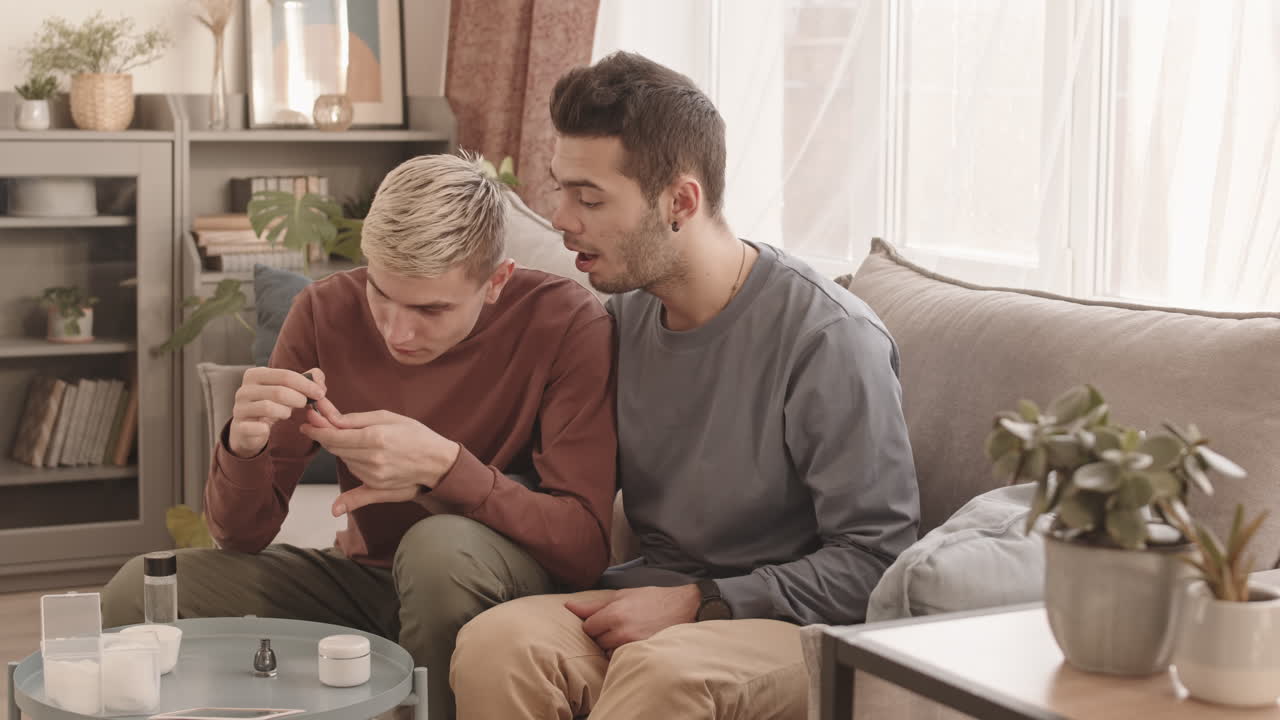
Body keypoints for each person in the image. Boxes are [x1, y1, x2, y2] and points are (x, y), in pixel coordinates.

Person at [450, 51, 922, 719]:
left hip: (789, 627)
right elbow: (550, 476)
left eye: (589, 197)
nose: (561, 218)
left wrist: (702, 601)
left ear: (680, 202)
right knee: (497, 645)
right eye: (561, 190)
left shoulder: (830, 339)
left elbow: (877, 562)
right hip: (648, 599)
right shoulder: (620, 320)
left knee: (660, 673)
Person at [101, 153, 618, 720]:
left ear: (495, 281)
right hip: (365, 581)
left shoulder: (567, 322)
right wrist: (243, 448)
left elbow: (583, 548)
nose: (397, 331)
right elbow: (240, 538)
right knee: (139, 589)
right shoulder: (323, 311)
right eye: (380, 294)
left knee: (437, 549)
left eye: (430, 309)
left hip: (493, 587)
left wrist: (446, 470)